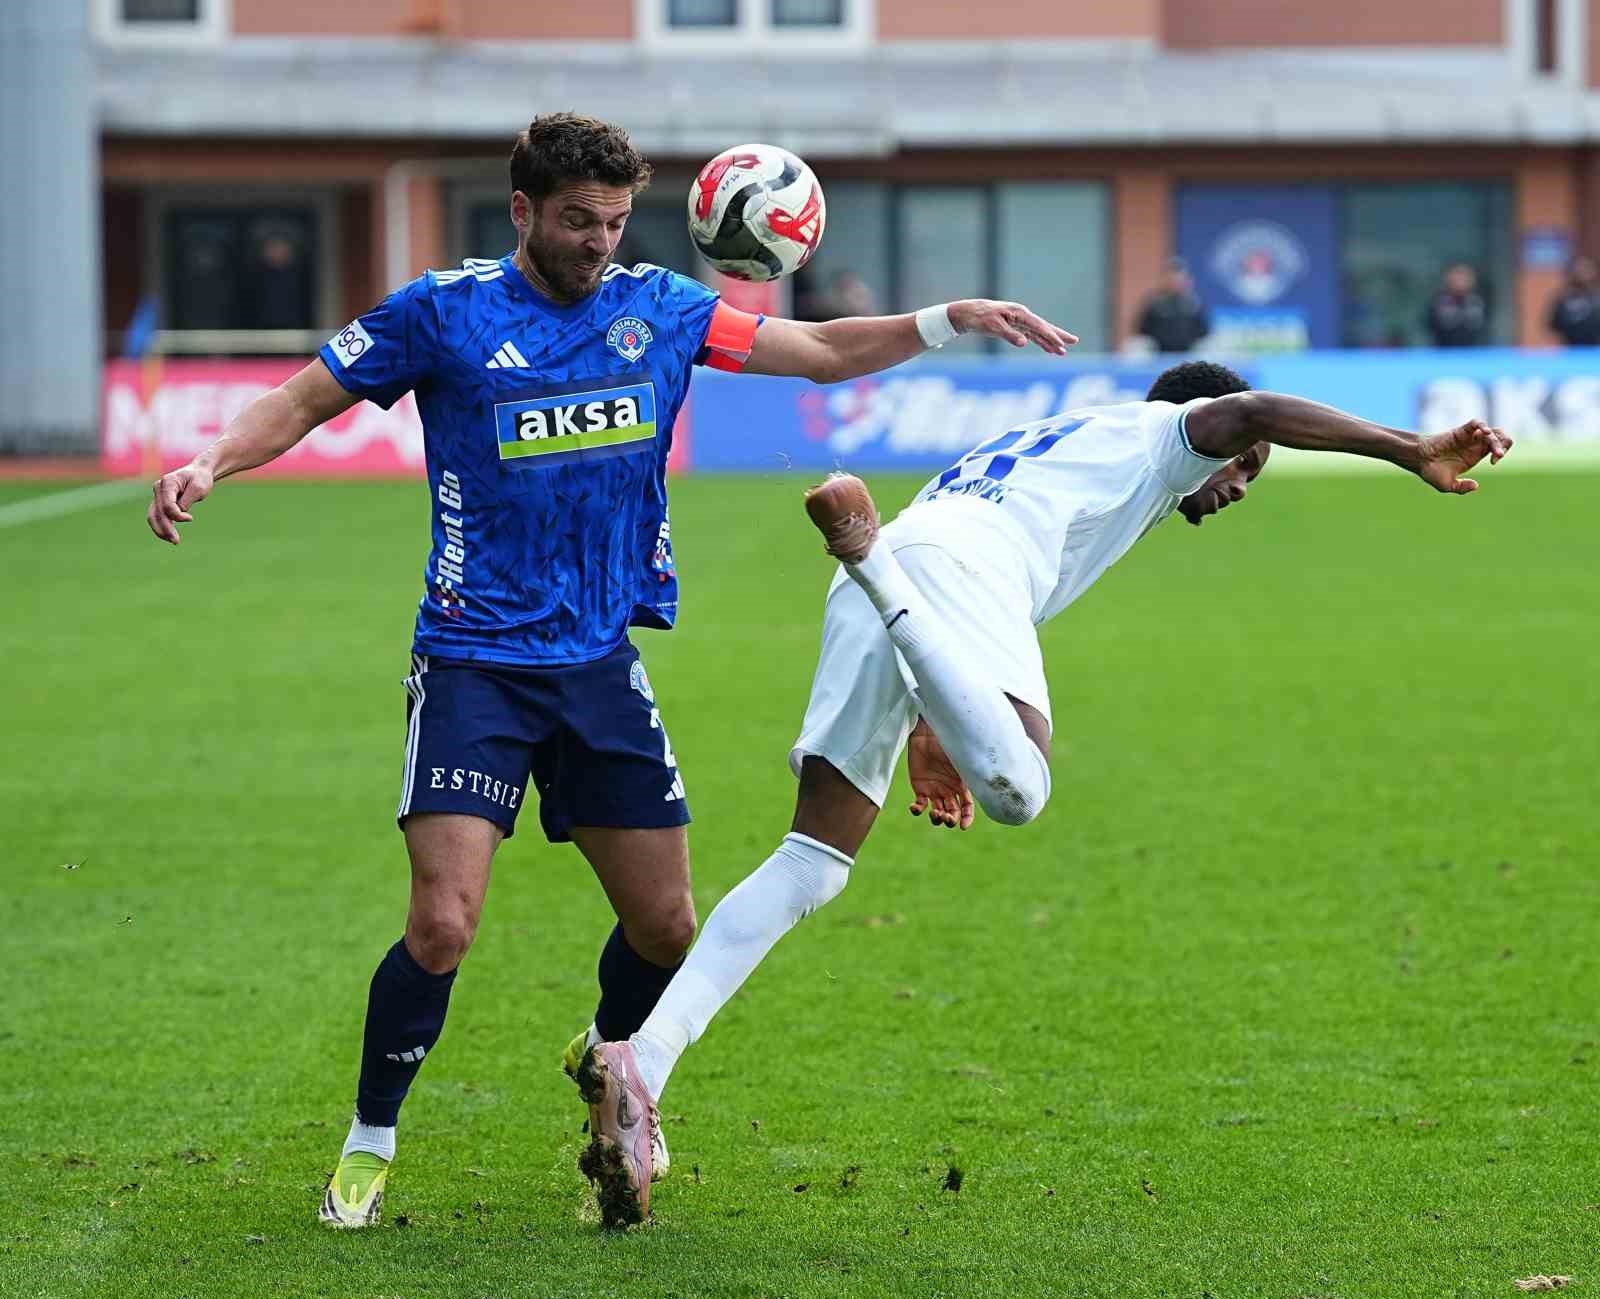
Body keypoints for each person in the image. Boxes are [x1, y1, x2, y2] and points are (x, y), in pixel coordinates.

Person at [143, 112, 1077, 1230]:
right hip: (473, 663)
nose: (598, 241)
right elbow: (303, 399)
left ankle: (607, 1055)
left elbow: (821, 353)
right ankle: (368, 1142)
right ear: (525, 212)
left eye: (617, 221)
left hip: (597, 666)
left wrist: (945, 318)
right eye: (579, 220)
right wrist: (209, 458)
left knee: (667, 930)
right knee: (443, 925)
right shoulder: (445, 313)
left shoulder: (658, 311)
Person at [571, 360, 1514, 1227]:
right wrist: (1404, 449)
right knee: (1021, 788)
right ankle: (870, 563)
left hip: (906, 555)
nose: (1234, 489)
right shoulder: (1166, 436)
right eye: (1243, 470)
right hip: (928, 571)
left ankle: (638, 1062)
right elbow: (1255, 408)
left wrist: (934, 719)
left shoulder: (1070, 441)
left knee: (812, 862)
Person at [1134, 257, 1210, 354]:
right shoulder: (1155, 303)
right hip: (1158, 352)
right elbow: (1142, 329)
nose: (1175, 282)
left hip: (1189, 352)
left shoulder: (1194, 304)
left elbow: (1204, 331)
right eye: (1172, 279)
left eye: (1179, 279)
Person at [1424, 263, 1489, 348]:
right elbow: (1430, 326)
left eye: (1464, 277)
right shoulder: (1438, 301)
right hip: (1443, 353)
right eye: (1457, 277)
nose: (1460, 281)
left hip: (1474, 353)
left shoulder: (1478, 302)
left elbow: (1483, 328)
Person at [1547, 256, 1600, 346]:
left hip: (1595, 349)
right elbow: (1552, 324)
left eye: (1587, 269)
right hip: (1571, 349)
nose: (1584, 273)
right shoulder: (1564, 298)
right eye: (1580, 270)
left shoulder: (1597, 297)